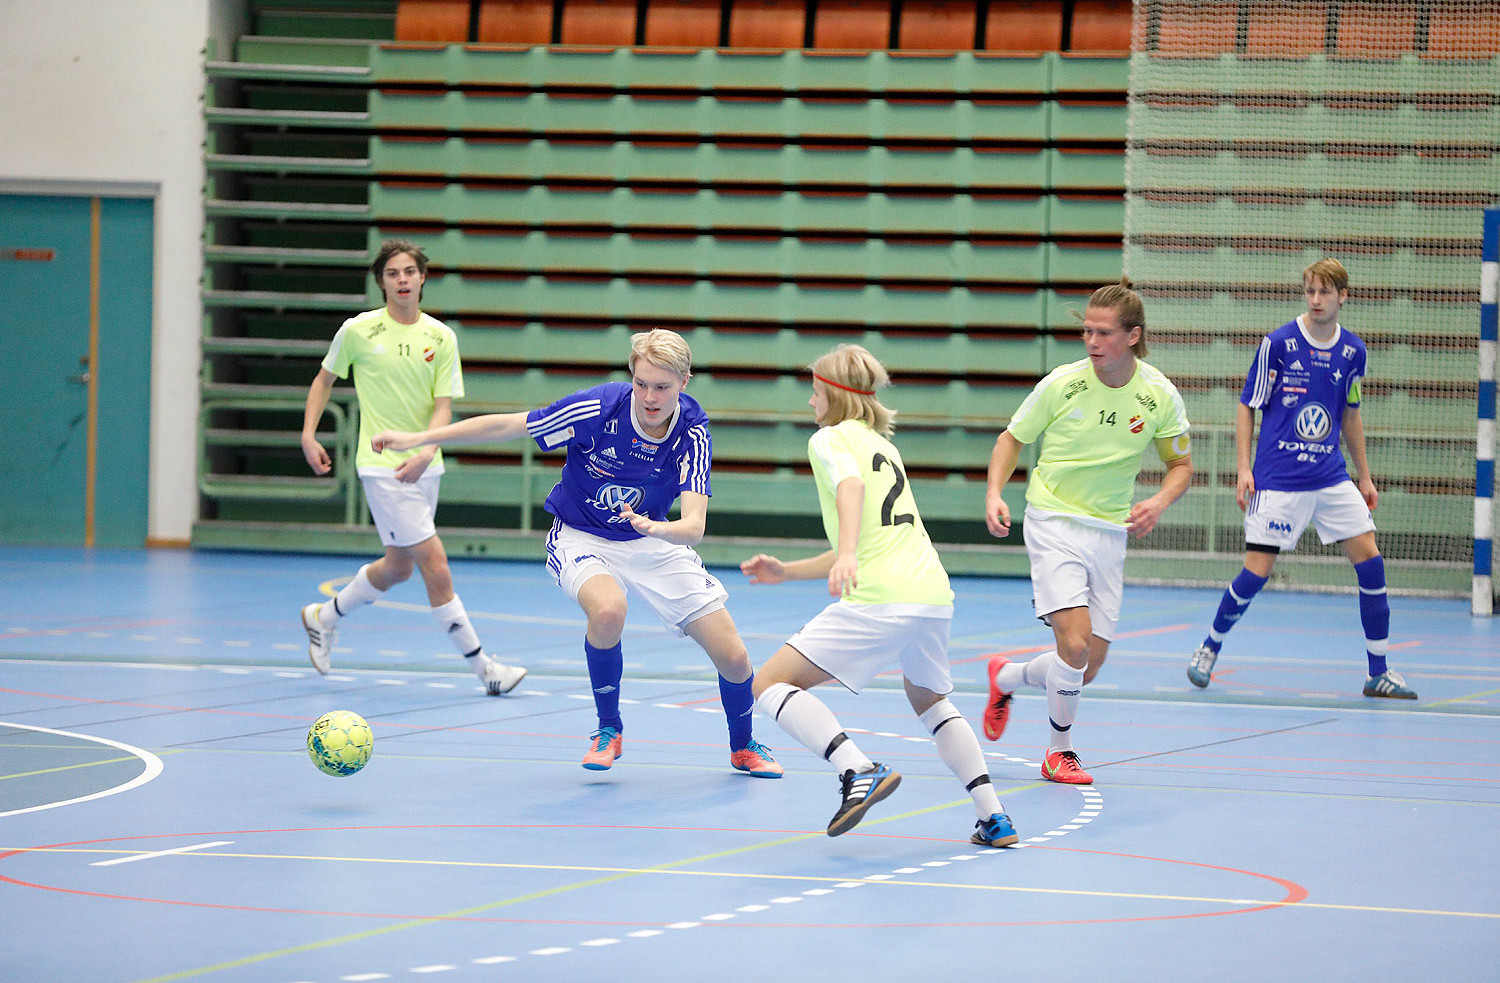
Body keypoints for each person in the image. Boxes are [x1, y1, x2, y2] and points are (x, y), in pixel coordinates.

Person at [370, 329, 783, 777]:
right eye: (640, 383)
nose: (648, 396)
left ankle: (743, 747)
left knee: (736, 657)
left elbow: (694, 528)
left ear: (684, 382)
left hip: (651, 537)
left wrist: (654, 527)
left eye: (661, 387)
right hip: (581, 535)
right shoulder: (598, 408)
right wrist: (420, 438)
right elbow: (508, 425)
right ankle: (609, 729)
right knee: (608, 609)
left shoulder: (692, 430)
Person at [741, 344, 1019, 846]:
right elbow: (870, 536)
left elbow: (851, 492)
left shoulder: (829, 440)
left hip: (883, 597)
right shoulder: (881, 446)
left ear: (835, 396)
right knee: (931, 701)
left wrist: (846, 554)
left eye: (815, 391)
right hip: (931, 593)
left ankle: (856, 768)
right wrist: (790, 571)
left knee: (769, 685)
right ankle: (993, 815)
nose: (810, 403)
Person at [981, 282, 1193, 785]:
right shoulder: (1062, 384)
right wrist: (994, 492)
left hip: (1109, 532)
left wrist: (1159, 501)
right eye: (1086, 331)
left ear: (1133, 336)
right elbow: (1011, 439)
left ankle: (1006, 676)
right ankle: (1059, 752)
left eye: (1103, 333)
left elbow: (1181, 464)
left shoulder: (1158, 394)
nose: (1091, 341)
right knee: (1073, 648)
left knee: (1083, 667)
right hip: (1053, 520)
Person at [298, 239, 526, 696]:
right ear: (381, 282)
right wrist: (308, 434)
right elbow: (323, 380)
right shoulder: (358, 331)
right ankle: (486, 669)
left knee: (400, 566)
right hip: (381, 466)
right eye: (392, 273)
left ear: (422, 278)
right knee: (434, 564)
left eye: (409, 272)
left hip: (425, 466)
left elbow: (444, 407)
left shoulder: (441, 337)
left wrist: (427, 451)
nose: (402, 280)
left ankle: (322, 617)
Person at [1185, 259, 1416, 699]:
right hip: (1278, 479)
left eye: (1324, 293)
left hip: (1330, 477)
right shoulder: (1279, 343)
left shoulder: (1353, 352)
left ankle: (1378, 671)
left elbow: (1350, 415)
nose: (1315, 300)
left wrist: (1364, 477)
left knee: (1371, 560)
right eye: (1310, 291)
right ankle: (1208, 647)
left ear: (1342, 296)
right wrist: (1243, 468)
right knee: (1256, 572)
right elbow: (1246, 404)